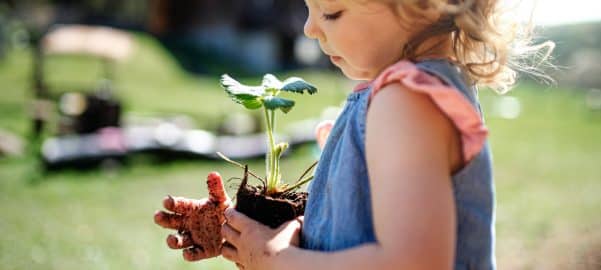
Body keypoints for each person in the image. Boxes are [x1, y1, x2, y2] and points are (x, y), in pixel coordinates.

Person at [155, 0, 553, 269]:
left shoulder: (406, 102)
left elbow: (412, 262)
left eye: (332, 12)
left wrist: (279, 261)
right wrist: (239, 230)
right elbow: (353, 226)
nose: (310, 28)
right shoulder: (398, 96)